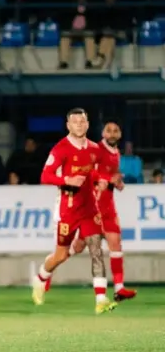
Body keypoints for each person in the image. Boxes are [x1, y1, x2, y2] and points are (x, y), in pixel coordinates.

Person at [32, 108, 116, 314]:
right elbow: (45, 176)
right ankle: (41, 277)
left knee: (96, 249)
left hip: (89, 209)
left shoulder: (95, 149)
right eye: (74, 121)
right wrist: (66, 180)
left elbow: (94, 172)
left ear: (87, 124)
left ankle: (101, 299)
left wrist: (103, 180)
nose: (79, 124)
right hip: (67, 211)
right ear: (68, 126)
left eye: (82, 121)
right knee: (61, 255)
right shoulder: (60, 149)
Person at [44, 122, 137, 302]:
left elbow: (110, 175)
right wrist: (106, 179)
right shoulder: (96, 150)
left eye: (116, 130)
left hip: (108, 205)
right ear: (102, 133)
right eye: (108, 130)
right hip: (92, 206)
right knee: (76, 247)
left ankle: (119, 289)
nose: (112, 133)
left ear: (120, 134)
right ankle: (50, 268)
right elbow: (89, 175)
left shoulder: (116, 153)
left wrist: (116, 182)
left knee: (115, 242)